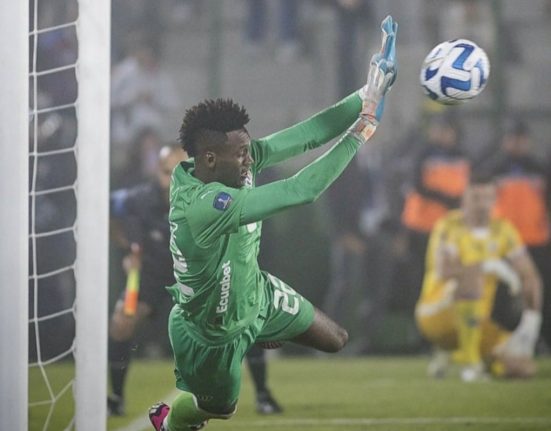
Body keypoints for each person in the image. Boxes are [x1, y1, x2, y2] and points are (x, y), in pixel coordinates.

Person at [148, 16, 397, 431]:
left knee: (336, 339)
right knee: (219, 410)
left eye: (249, 149)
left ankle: (259, 328)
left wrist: (367, 93)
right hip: (213, 331)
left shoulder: (228, 165)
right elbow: (301, 190)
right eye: (242, 154)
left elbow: (309, 133)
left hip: (256, 294)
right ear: (209, 159)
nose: (252, 160)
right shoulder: (204, 205)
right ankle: (170, 420)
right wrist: (360, 134)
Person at [108, 144, 283, 416]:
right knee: (122, 321)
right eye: (166, 172)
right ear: (157, 173)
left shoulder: (212, 196)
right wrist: (126, 247)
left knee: (244, 319)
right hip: (154, 275)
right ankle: (116, 399)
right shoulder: (140, 199)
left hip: (200, 277)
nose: (172, 180)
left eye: (180, 171)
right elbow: (107, 207)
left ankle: (263, 395)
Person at [415, 173, 543, 382]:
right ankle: (471, 364)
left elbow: (530, 276)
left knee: (523, 369)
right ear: (464, 200)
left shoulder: (503, 229)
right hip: (436, 313)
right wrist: (488, 265)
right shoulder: (449, 225)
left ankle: (455, 354)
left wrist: (529, 328)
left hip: (477, 322)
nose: (481, 204)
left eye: (486, 198)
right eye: (475, 198)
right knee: (473, 278)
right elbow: (443, 270)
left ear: (494, 200)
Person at [487, 120, 551, 350]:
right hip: (503, 243)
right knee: (500, 293)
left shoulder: (541, 169)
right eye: (513, 139)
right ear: (505, 141)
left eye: (521, 139)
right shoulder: (493, 168)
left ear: (528, 142)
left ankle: (542, 339)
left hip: (536, 240)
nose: (517, 144)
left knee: (541, 293)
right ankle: (497, 339)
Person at [400, 114, 470, 317]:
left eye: (445, 130)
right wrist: (446, 199)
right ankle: (420, 323)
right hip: (421, 227)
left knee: (448, 277)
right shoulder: (422, 154)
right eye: (437, 129)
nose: (441, 134)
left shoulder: (462, 156)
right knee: (420, 277)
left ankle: (442, 321)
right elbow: (417, 185)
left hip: (450, 228)